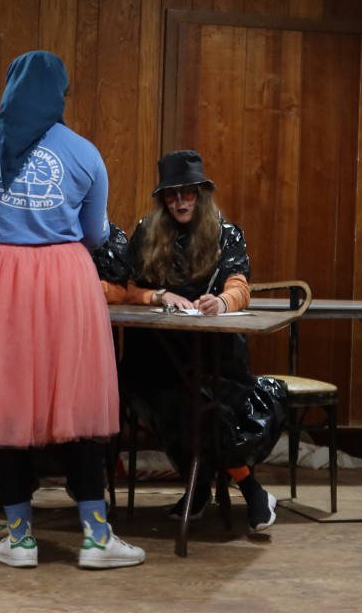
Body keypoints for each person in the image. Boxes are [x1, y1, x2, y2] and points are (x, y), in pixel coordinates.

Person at [0, 50, 143, 570]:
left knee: (4, 405)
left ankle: (20, 539)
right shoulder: (84, 153)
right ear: (61, 94)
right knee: (78, 405)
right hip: (64, 281)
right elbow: (95, 233)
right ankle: (96, 538)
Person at [104, 149, 283, 532]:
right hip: (157, 353)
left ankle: (244, 489)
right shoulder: (147, 231)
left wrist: (221, 302)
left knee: (202, 402)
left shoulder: (226, 233)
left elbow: (239, 287)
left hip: (214, 354)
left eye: (188, 193)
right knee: (162, 394)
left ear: (201, 195)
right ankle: (207, 486)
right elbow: (127, 289)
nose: (180, 201)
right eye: (171, 194)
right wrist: (158, 295)